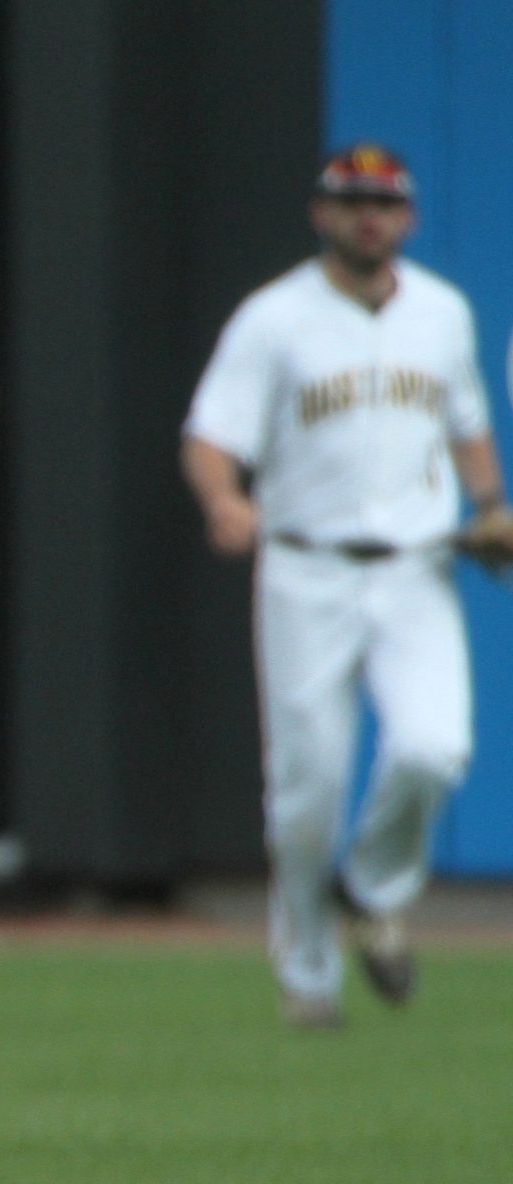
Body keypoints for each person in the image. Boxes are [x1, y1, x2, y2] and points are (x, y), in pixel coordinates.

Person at [182, 141, 505, 1030]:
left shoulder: (441, 313)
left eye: (386, 201)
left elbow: (468, 423)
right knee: (307, 789)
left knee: (435, 747)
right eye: (351, 199)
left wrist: (492, 504)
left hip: (416, 566)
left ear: (409, 217)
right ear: (320, 213)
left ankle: (373, 887)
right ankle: (311, 980)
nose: (370, 215)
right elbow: (211, 434)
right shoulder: (274, 317)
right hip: (304, 566)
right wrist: (222, 500)